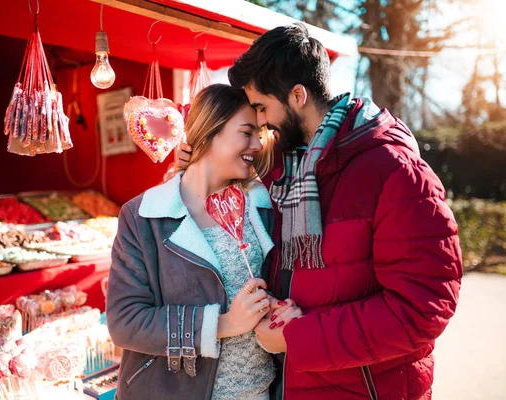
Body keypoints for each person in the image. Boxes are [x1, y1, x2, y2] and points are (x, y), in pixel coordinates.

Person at [176, 23, 463, 400]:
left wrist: (299, 337)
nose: (261, 122)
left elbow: (423, 307)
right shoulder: (284, 170)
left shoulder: (394, 172)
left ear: (297, 96)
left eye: (263, 107)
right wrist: (203, 163)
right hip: (295, 384)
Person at [107, 84, 282, 400]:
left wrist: (276, 309)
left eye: (259, 133)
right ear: (211, 132)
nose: (257, 143)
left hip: (258, 392)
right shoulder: (145, 216)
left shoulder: (263, 205)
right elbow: (125, 321)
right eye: (246, 132)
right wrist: (223, 324)